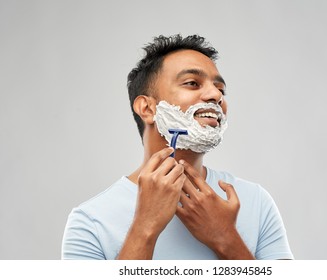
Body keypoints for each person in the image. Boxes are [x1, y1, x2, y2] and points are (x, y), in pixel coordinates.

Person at [61, 34, 293, 260]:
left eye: (220, 89)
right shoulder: (90, 221)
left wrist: (226, 239)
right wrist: (145, 227)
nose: (215, 95)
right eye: (192, 83)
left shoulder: (255, 201)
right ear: (148, 109)